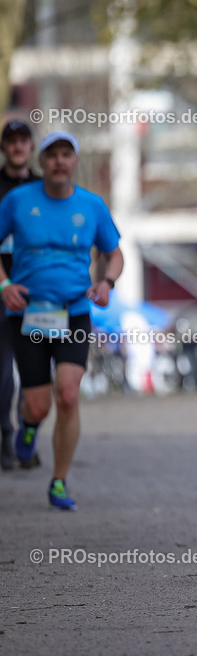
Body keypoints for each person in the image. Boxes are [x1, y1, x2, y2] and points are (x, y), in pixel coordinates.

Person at [0, 131, 123, 510]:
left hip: (74, 312)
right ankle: (31, 423)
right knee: (38, 405)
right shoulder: (17, 201)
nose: (58, 161)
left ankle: (58, 481)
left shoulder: (92, 205)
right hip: (27, 313)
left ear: (75, 161)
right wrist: (4, 284)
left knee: (68, 395)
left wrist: (107, 282)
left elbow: (113, 254)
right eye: (51, 154)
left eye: (66, 154)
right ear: (42, 160)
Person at [0, 119, 41, 471]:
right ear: (4, 147)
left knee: (36, 370)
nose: (17, 146)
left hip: (39, 292)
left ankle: (28, 434)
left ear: (30, 146)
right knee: (3, 370)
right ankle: (5, 433)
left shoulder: (45, 189)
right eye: (10, 140)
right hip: (1, 289)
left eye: (22, 140)